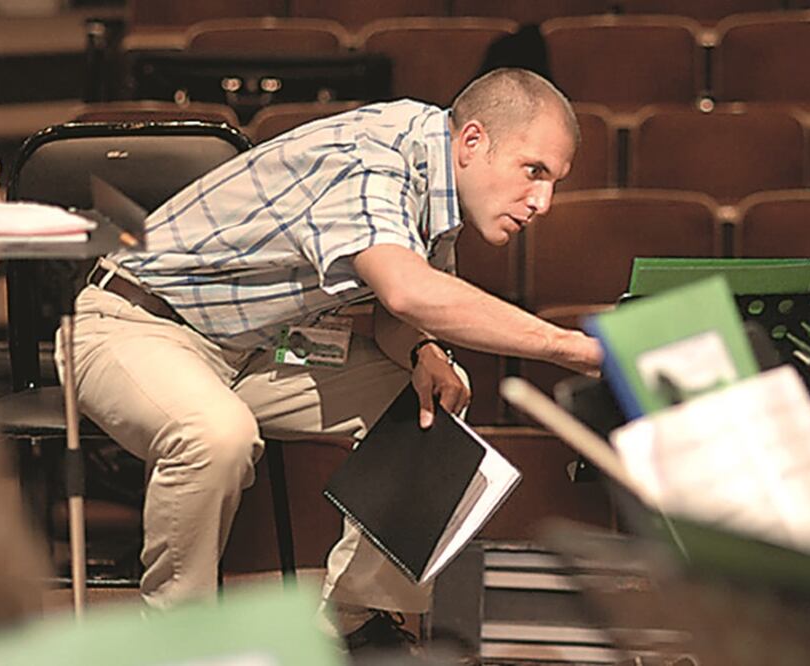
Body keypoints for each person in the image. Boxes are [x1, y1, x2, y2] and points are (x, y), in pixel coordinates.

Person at [56, 68, 602, 648]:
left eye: (554, 181)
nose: (543, 201)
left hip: (251, 350)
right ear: (472, 141)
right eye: (533, 171)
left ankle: (353, 621)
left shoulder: (437, 178)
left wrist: (422, 351)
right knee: (218, 434)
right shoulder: (370, 162)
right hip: (133, 324)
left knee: (436, 395)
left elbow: (399, 313)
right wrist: (572, 347)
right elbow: (408, 291)